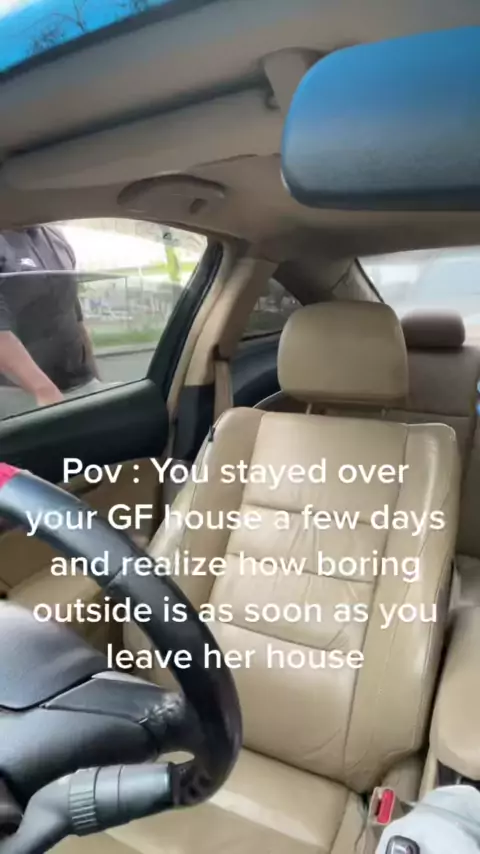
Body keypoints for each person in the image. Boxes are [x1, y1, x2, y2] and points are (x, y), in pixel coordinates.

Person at [0, 225, 98, 411]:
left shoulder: (55, 237)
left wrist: (94, 375)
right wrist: (44, 390)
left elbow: (74, 315)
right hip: (19, 393)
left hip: (78, 382)